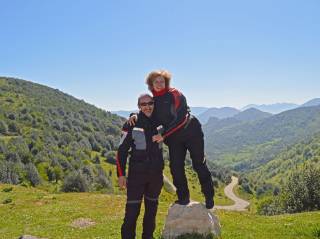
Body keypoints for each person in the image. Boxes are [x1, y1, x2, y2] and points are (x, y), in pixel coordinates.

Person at [129, 70, 214, 209]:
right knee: (175, 167)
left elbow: (181, 118)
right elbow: (146, 111)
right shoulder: (154, 100)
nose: (159, 84)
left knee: (198, 164)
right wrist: (133, 115)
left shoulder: (176, 94)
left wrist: (164, 135)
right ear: (150, 84)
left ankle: (209, 197)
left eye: (162, 81)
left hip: (191, 131)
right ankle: (183, 198)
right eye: (156, 81)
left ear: (166, 82)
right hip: (174, 139)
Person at [117, 93, 164, 239]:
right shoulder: (131, 123)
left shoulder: (161, 122)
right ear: (139, 106)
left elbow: (176, 127)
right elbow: (121, 151)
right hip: (137, 175)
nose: (147, 107)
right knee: (132, 213)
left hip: (155, 175)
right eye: (143, 104)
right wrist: (121, 174)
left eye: (150, 103)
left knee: (151, 212)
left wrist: (165, 135)